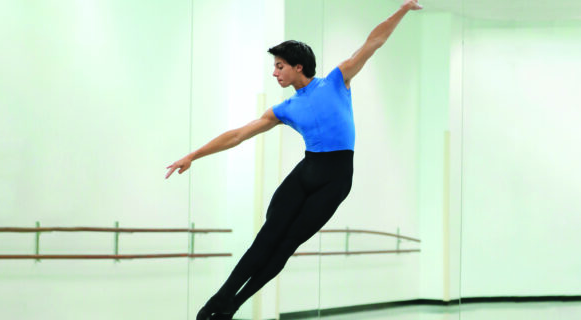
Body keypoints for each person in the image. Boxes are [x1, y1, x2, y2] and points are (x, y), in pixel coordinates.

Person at [165, 1, 423, 319]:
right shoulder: (285, 108)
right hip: (307, 170)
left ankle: (232, 305)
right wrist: (193, 155)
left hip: (336, 178)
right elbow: (237, 135)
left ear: (298, 67)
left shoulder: (336, 81)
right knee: (266, 238)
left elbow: (373, 42)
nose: (275, 73)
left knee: (285, 245)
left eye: (280, 66)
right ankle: (217, 302)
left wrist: (403, 9)